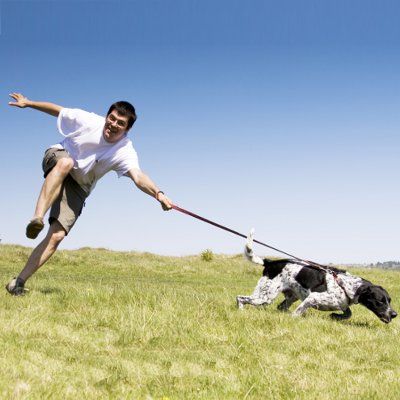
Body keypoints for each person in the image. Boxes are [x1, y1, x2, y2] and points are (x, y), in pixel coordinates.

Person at [5, 92, 173, 295]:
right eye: (111, 118)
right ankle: (37, 218)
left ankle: (18, 283)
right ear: (106, 116)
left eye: (120, 123)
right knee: (66, 163)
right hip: (58, 157)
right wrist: (29, 103)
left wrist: (158, 193)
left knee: (57, 236)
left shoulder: (125, 150)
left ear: (127, 129)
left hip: (79, 185)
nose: (112, 124)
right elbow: (58, 110)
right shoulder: (90, 121)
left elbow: (138, 176)